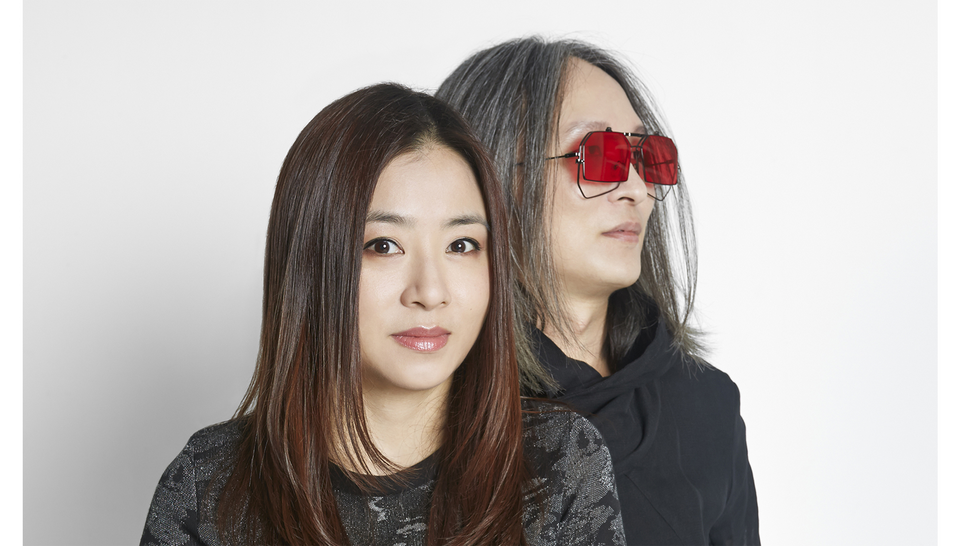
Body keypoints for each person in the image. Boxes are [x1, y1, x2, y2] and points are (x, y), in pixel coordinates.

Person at [139, 83, 625, 546]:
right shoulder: (209, 484)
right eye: (384, 245)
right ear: (310, 261)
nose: (430, 292)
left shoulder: (560, 462)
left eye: (461, 245)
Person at [437, 38, 760, 545]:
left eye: (647, 158)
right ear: (490, 178)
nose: (636, 189)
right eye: (600, 155)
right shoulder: (427, 407)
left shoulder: (705, 404)